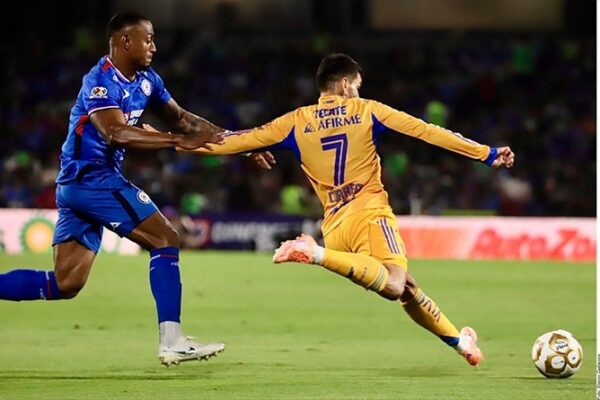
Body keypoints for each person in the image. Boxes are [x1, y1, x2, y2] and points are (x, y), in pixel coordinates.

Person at [167, 53, 515, 366]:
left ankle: (462, 344)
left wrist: (170, 141)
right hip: (369, 212)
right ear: (346, 84)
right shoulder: (368, 110)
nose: (358, 92)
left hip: (335, 225)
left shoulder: (295, 121)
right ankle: (313, 253)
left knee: (407, 286)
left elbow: (229, 142)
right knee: (395, 284)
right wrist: (485, 153)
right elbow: (427, 132)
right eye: (358, 86)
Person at [0, 12, 271, 367]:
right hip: (91, 179)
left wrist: (242, 143)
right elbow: (115, 132)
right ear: (126, 41)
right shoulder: (99, 80)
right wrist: (175, 141)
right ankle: (172, 340)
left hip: (79, 185)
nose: (154, 47)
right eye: (149, 39)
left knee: (65, 283)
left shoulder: (147, 81)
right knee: (166, 238)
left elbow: (183, 119)